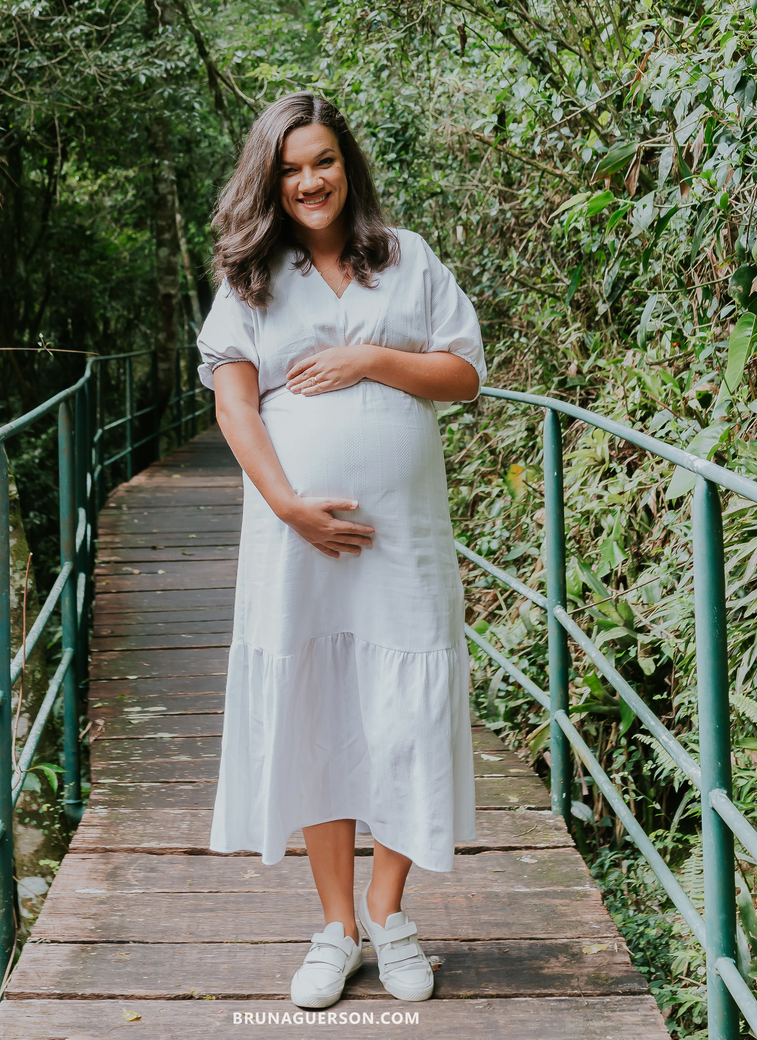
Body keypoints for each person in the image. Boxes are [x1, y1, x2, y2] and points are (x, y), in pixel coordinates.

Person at [196, 91, 485, 1010]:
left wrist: (369, 360)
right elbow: (235, 404)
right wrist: (291, 507)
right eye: (289, 169)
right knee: (317, 705)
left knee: (405, 711)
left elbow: (464, 374)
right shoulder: (252, 278)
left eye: (322, 160)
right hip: (297, 539)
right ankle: (336, 928)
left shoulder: (405, 258)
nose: (309, 181)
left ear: (346, 165)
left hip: (404, 537)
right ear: (270, 181)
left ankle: (388, 912)